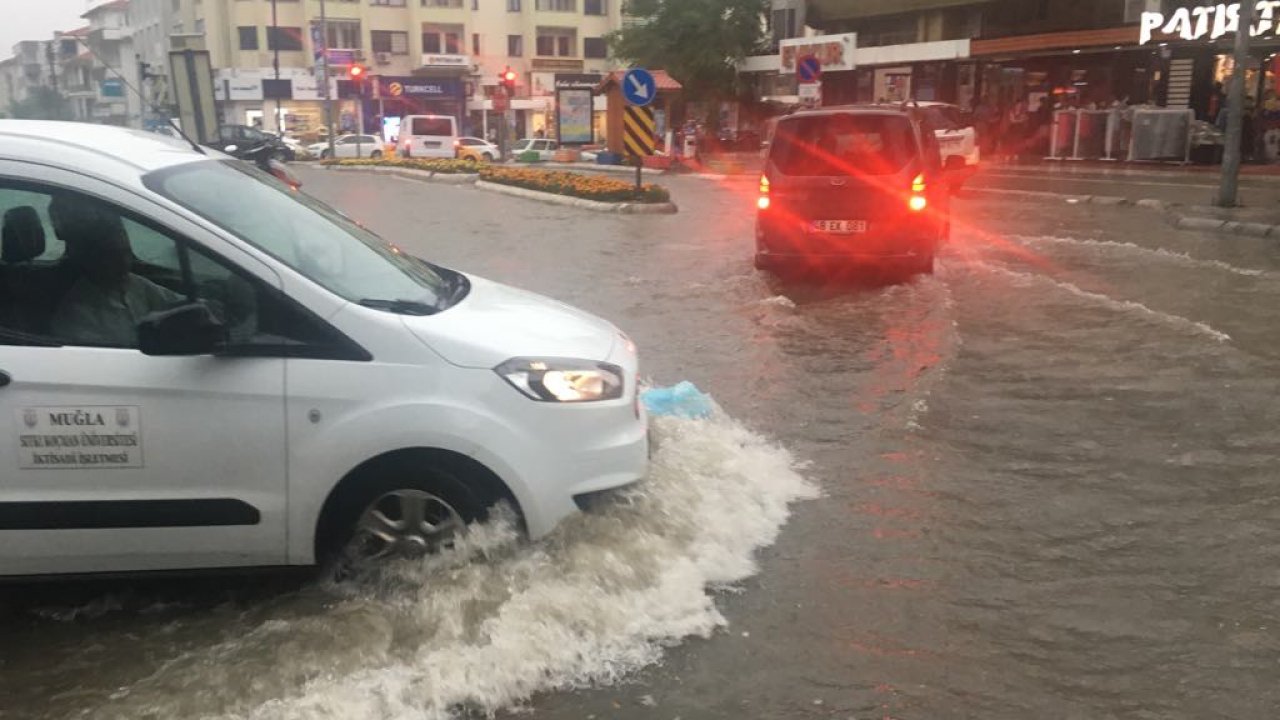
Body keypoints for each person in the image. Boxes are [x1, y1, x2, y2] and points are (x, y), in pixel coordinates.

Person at [48, 194, 185, 347]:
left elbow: (179, 303)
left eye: (126, 253)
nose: (124, 263)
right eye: (113, 256)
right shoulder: (77, 313)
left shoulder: (136, 285)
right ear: (92, 260)